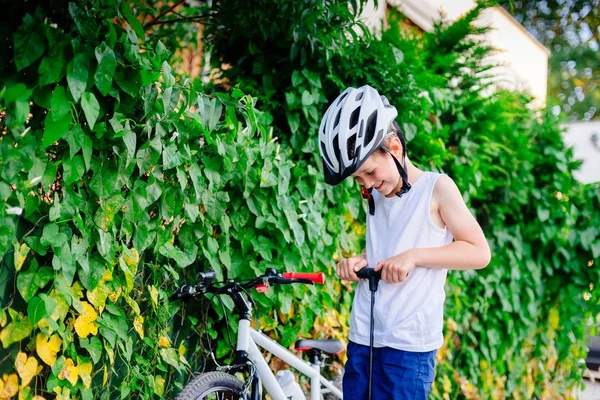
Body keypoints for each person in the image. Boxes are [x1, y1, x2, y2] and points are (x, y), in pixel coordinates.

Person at [318, 85, 491, 399]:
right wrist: (362, 260)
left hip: (408, 348)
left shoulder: (436, 189)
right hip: (364, 337)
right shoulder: (378, 194)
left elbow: (479, 252)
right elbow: (388, 249)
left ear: (394, 147)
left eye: (369, 172)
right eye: (358, 179)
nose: (367, 184)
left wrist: (414, 256)